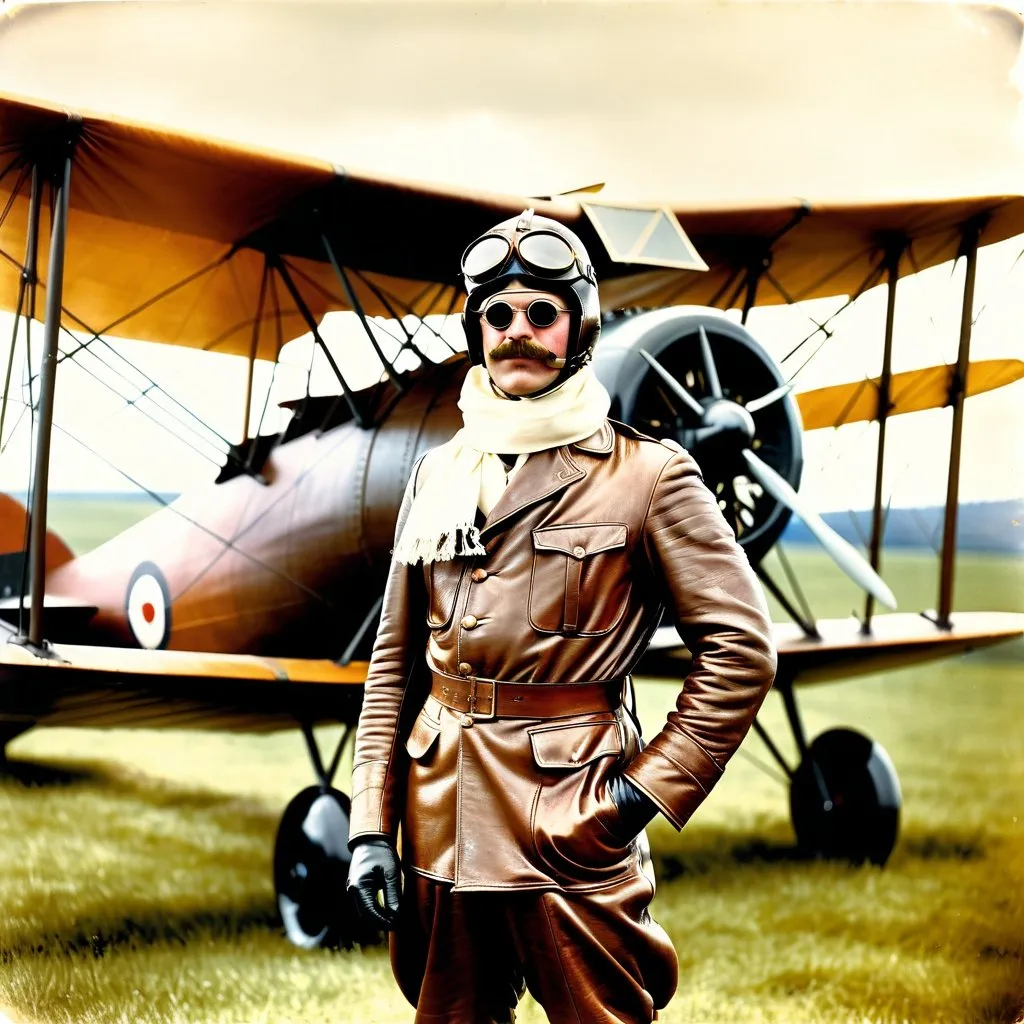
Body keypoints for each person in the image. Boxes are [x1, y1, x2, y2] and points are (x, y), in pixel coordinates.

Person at [346, 209, 777, 1023]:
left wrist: (634, 798)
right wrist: (371, 823)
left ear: (579, 326)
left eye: (542, 313)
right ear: (476, 330)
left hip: (574, 816)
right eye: (497, 315)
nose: (518, 332)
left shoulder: (649, 475)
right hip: (440, 824)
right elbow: (392, 668)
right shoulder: (438, 473)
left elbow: (741, 652)